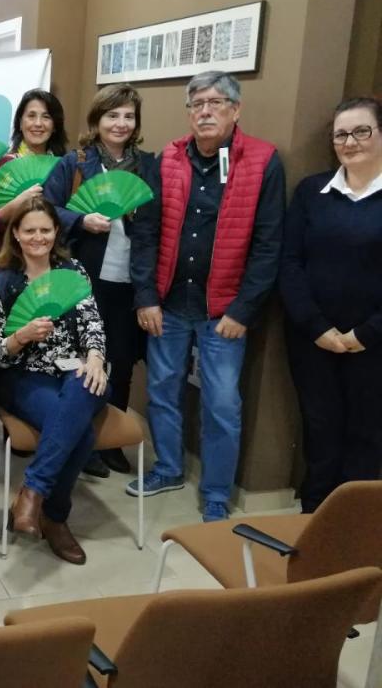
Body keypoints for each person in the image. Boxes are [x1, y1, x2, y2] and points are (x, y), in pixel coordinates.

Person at [129, 71, 285, 522]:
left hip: (224, 312)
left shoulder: (263, 161)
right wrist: (146, 297)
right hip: (169, 304)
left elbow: (269, 244)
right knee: (162, 390)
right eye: (197, 103)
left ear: (236, 110)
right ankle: (170, 468)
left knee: (221, 402)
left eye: (217, 103)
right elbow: (147, 233)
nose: (206, 111)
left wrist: (244, 308)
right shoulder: (166, 161)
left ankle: (216, 492)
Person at [0, 198, 108, 565]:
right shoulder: (1, 282)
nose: (38, 237)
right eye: (30, 231)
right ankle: (55, 517)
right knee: (81, 432)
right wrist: (21, 335)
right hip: (24, 376)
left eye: (45, 229)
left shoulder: (74, 272)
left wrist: (96, 358)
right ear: (16, 235)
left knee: (83, 382)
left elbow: (92, 323)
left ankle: (33, 492)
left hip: (78, 370)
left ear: (56, 231)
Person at [44, 84, 156, 478]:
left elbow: (151, 229)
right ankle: (83, 439)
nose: (121, 123)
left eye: (128, 116)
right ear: (97, 120)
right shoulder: (75, 163)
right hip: (83, 276)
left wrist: (147, 292)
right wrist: (80, 220)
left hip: (129, 278)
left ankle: (112, 443)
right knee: (80, 359)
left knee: (121, 361)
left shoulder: (147, 166)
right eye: (113, 115)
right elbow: (46, 209)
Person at [280, 96, 382, 513]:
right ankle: (313, 520)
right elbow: (289, 263)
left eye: (362, 131)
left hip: (374, 344)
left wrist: (365, 334)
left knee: (368, 434)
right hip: (313, 339)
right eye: (341, 133)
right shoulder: (312, 192)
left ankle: (352, 527)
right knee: (319, 429)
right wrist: (317, 327)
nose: (350, 141)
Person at [0, 88, 68, 273]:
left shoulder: (65, 166)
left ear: (55, 125)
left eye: (46, 117)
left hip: (51, 267)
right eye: (31, 116)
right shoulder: (4, 164)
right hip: (5, 267)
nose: (38, 123)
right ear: (20, 122)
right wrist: (14, 206)